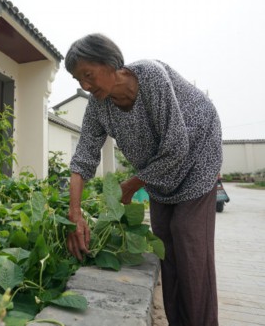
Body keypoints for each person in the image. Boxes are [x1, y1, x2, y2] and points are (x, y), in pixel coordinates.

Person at [65, 33, 222, 326]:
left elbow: (177, 146)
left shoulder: (151, 76)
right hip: (159, 169)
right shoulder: (98, 106)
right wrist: (74, 213)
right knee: (165, 241)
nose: (85, 85)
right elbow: (83, 156)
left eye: (88, 75)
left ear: (110, 63)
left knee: (188, 238)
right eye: (78, 80)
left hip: (198, 151)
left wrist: (130, 185)